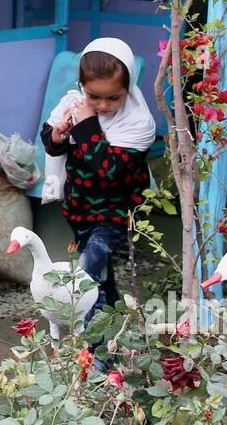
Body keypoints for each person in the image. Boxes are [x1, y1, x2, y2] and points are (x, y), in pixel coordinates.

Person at [40, 38, 155, 327]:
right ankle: (117, 330)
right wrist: (59, 134)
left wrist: (87, 122)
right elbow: (50, 142)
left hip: (117, 214)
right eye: (95, 96)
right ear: (82, 86)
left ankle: (96, 351)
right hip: (79, 210)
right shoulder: (73, 104)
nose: (103, 105)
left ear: (127, 89)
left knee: (88, 271)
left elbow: (108, 169)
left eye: (113, 98)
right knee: (102, 280)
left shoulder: (139, 123)